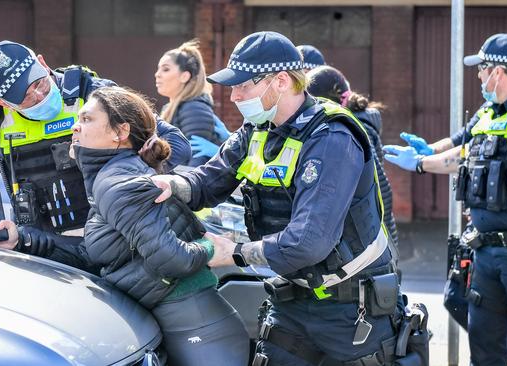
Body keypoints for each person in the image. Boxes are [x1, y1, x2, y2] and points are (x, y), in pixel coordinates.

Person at [151, 31, 403, 366]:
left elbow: (308, 242)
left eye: (244, 86)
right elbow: (208, 182)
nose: (235, 95)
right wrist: (170, 184)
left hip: (350, 312)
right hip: (290, 300)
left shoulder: (331, 140)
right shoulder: (256, 130)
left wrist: (235, 254)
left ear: (281, 81)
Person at [0, 86, 250, 366]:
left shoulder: (117, 183)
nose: (75, 128)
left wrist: (211, 248)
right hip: (187, 327)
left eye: (87, 119)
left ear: (120, 132)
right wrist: (24, 241)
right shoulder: (110, 175)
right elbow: (98, 255)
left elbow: (172, 260)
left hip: (201, 335)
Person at [384, 33, 507, 365]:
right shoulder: (490, 111)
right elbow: (462, 143)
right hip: (486, 252)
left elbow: (462, 157)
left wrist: (422, 164)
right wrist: (428, 150)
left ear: (497, 71)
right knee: (484, 343)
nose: (479, 76)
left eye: (482, 68)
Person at [0, 41, 190, 260]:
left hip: (114, 238)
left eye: (39, 83)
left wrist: (127, 184)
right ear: (3, 102)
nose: (39, 96)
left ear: (43, 63)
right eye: (26, 97)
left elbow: (175, 143)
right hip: (42, 248)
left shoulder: (94, 94)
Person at [307, 65, 399, 250]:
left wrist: (373, 241)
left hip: (371, 245)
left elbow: (382, 190)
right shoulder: (354, 123)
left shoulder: (350, 131)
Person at [155, 40, 226, 166]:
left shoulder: (194, 108)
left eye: (165, 69)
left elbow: (198, 160)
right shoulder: (171, 107)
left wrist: (182, 185)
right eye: (158, 69)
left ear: (184, 76)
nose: (157, 74)